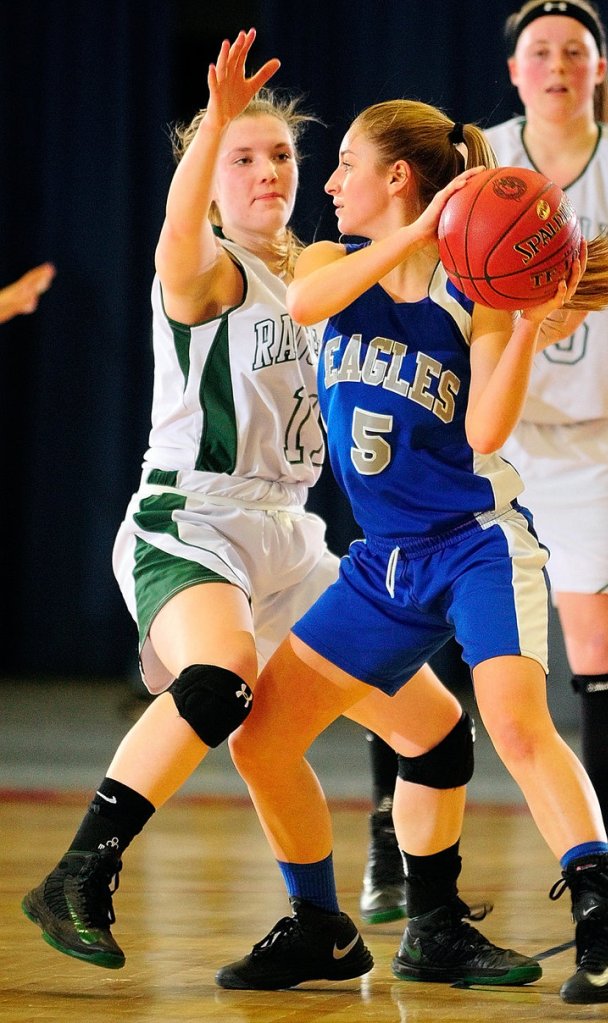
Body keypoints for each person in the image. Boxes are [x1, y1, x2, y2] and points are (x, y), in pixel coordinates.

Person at [220, 97, 608, 1005]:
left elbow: (487, 424)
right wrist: (424, 226)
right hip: (384, 562)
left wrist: (527, 325)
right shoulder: (332, 261)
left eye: (345, 162)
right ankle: (321, 926)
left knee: (514, 723)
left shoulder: (475, 288)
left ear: (396, 175)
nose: (329, 180)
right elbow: (303, 299)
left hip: (476, 546)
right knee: (261, 738)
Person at [20, 30, 362, 974]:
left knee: (424, 711)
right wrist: (215, 122)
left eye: (281, 155)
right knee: (221, 682)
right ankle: (81, 873)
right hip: (194, 517)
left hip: (294, 531)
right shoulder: (203, 266)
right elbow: (178, 227)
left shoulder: (321, 272)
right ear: (209, 181)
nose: (265, 172)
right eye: (241, 159)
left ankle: (337, 926)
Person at [481, 0, 608, 946]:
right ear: (514, 71)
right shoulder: (481, 159)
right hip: (492, 435)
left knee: (597, 642)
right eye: (539, 51)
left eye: (574, 50)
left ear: (598, 68)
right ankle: (395, 855)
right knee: (442, 626)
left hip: (596, 438)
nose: (557, 63)